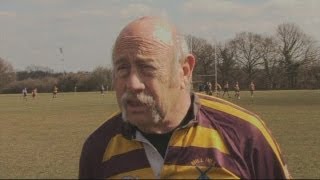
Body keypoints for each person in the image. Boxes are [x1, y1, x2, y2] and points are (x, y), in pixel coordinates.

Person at [79, 16, 290, 179]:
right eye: (122, 68)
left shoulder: (245, 135)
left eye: (147, 67)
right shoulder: (98, 147)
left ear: (184, 70)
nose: (133, 84)